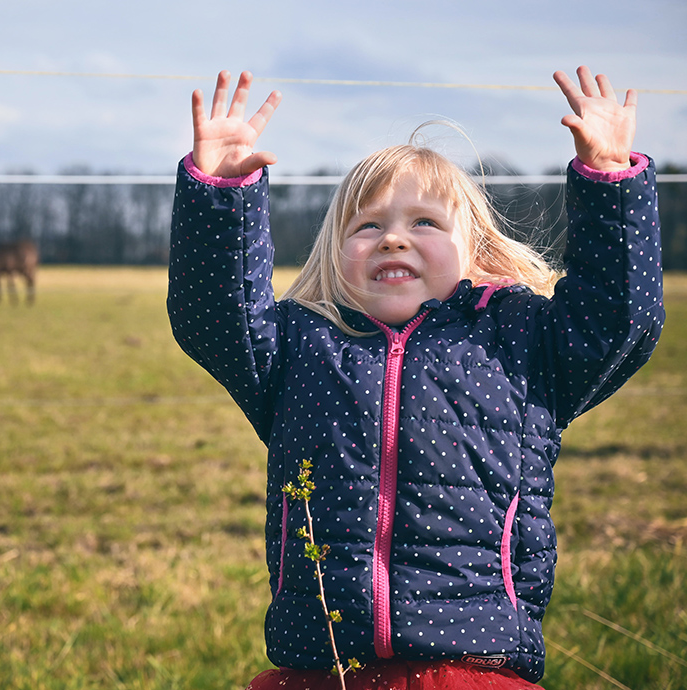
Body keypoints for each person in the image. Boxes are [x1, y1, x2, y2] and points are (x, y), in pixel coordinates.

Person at [167, 66, 664, 689]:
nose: (393, 239)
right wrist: (220, 193)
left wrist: (612, 182)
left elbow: (620, 320)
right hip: (325, 669)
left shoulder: (518, 342)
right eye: (367, 225)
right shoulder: (298, 347)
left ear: (475, 251)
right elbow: (213, 316)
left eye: (424, 223)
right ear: (335, 251)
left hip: (471, 668)